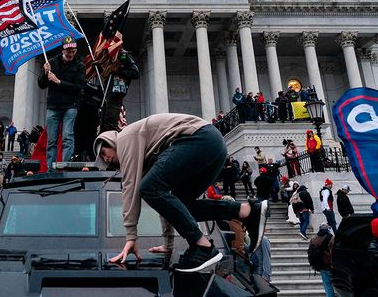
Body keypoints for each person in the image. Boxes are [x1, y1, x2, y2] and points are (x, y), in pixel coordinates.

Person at [93, 113, 268, 272]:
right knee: (180, 204)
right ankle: (246, 211)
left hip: (199, 139)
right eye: (103, 161)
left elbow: (130, 188)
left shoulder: (125, 138)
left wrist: (131, 236)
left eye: (103, 153)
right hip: (213, 145)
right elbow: (166, 203)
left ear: (110, 142)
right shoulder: (145, 152)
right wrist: (168, 244)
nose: (105, 159)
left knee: (147, 188)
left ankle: (203, 247)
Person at [38, 35, 86, 166]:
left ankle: (65, 167)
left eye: (73, 51)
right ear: (63, 50)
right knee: (51, 140)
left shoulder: (80, 66)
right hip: (53, 106)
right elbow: (42, 84)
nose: (71, 53)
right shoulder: (52, 62)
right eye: (68, 51)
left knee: (67, 137)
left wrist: (59, 82)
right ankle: (51, 169)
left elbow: (79, 87)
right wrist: (44, 72)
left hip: (70, 106)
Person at [100, 48, 140, 132]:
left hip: (116, 93)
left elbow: (135, 73)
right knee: (104, 122)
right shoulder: (107, 57)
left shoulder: (123, 55)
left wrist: (119, 71)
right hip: (107, 94)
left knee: (111, 123)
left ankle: (112, 141)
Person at [308, 223, 335, 297]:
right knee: (336, 284)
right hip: (330, 264)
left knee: (327, 284)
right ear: (327, 229)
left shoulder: (313, 238)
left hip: (320, 265)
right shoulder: (331, 237)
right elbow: (333, 252)